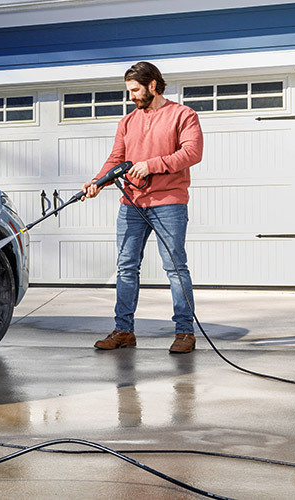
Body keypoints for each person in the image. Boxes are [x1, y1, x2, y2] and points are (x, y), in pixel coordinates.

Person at [82, 61, 203, 354]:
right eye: (129, 91)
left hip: (169, 203)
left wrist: (152, 165)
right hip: (132, 204)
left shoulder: (183, 115)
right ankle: (124, 330)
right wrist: (98, 181)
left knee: (175, 268)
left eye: (135, 90)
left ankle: (185, 333)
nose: (131, 96)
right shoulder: (127, 121)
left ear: (153, 85)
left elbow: (192, 152)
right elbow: (116, 159)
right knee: (126, 267)